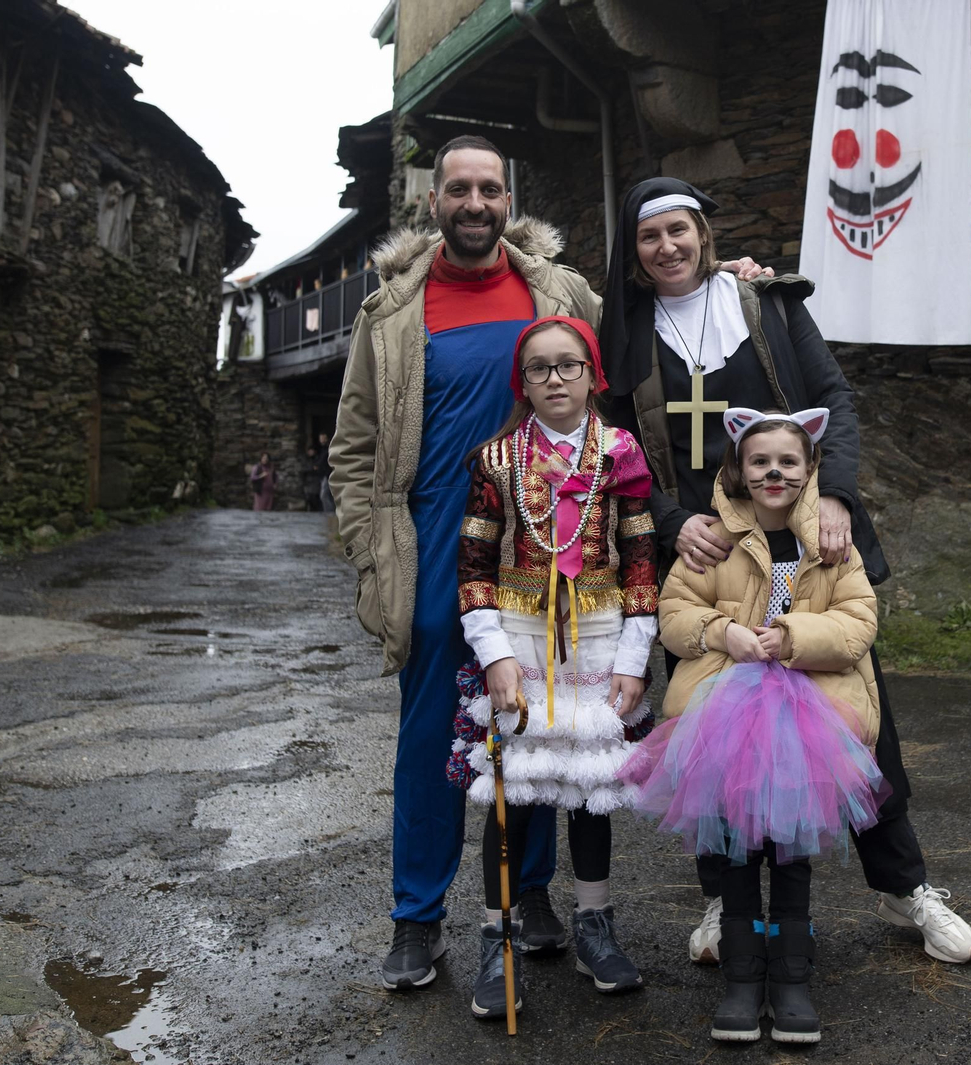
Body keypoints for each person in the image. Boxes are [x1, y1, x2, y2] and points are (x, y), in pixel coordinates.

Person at [328, 135, 770, 991]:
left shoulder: (559, 291)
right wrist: (367, 545)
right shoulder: (390, 312)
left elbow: (651, 327)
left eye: (488, 188)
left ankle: (527, 896)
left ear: (507, 200)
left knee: (537, 715)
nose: (474, 203)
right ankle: (417, 918)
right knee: (431, 737)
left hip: (551, 544)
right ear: (435, 203)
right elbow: (354, 447)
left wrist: (730, 285)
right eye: (458, 189)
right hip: (428, 540)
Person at [598, 177, 971, 966]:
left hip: (807, 543)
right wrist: (674, 522)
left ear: (704, 233)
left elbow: (832, 396)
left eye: (679, 230)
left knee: (860, 727)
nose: (667, 247)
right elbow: (622, 453)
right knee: (708, 737)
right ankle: (722, 901)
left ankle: (909, 887)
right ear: (632, 255)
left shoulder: (763, 304)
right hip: (704, 558)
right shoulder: (626, 334)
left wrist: (834, 489)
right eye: (649, 237)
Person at [624, 408, 887, 1044]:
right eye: (760, 461)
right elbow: (674, 611)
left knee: (791, 849)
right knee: (735, 846)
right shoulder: (714, 540)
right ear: (738, 470)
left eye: (788, 462)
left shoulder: (830, 546)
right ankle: (742, 978)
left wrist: (795, 633)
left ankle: (790, 978)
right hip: (724, 710)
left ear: (811, 469)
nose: (774, 472)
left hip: (811, 711)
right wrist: (723, 632)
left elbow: (859, 621)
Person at [448, 315, 656, 1019]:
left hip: (598, 637)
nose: (555, 379)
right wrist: (495, 656)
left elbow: (641, 560)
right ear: (523, 381)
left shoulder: (621, 452)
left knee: (589, 785)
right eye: (539, 368)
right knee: (514, 792)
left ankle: (595, 922)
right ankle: (496, 936)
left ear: (593, 374)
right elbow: (474, 566)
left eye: (569, 365)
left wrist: (634, 656)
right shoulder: (497, 460)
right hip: (519, 637)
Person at [317, 432, 335, 514]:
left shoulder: (328, 448)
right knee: (326, 494)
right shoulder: (322, 449)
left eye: (323, 438)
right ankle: (329, 511)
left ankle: (329, 512)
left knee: (324, 495)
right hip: (324, 474)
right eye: (321, 438)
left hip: (328, 474)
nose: (322, 440)